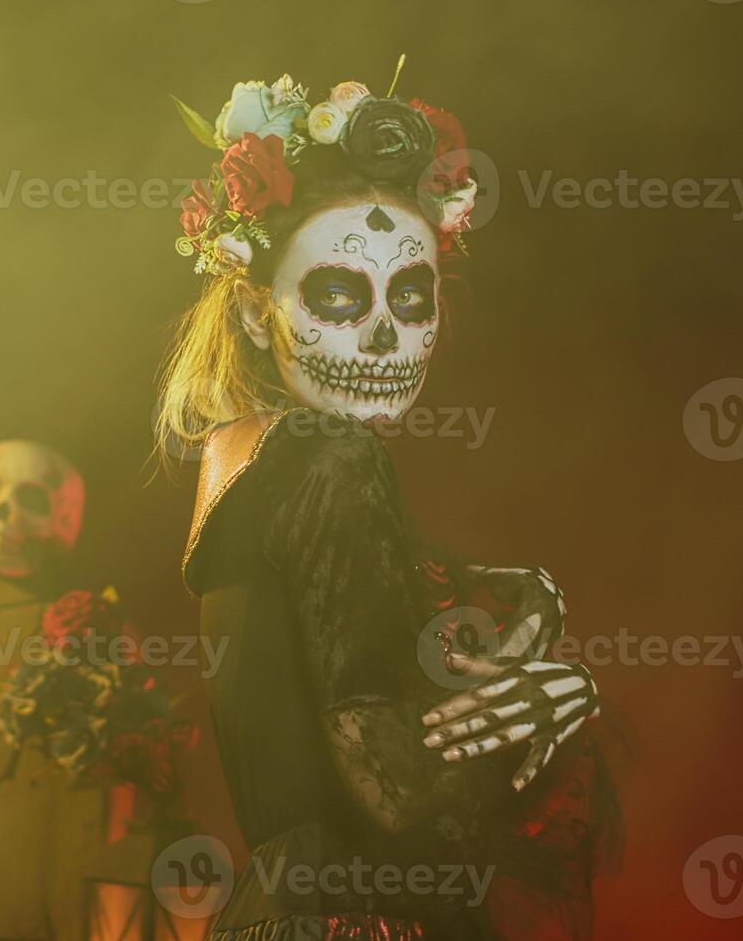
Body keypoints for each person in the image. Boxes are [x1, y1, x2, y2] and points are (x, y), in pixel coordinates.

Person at [158, 71, 620, 940]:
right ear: (258, 315)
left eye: (411, 299)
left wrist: (504, 641)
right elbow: (390, 781)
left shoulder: (246, 463)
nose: (384, 335)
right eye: (338, 294)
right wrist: (543, 692)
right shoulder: (333, 455)